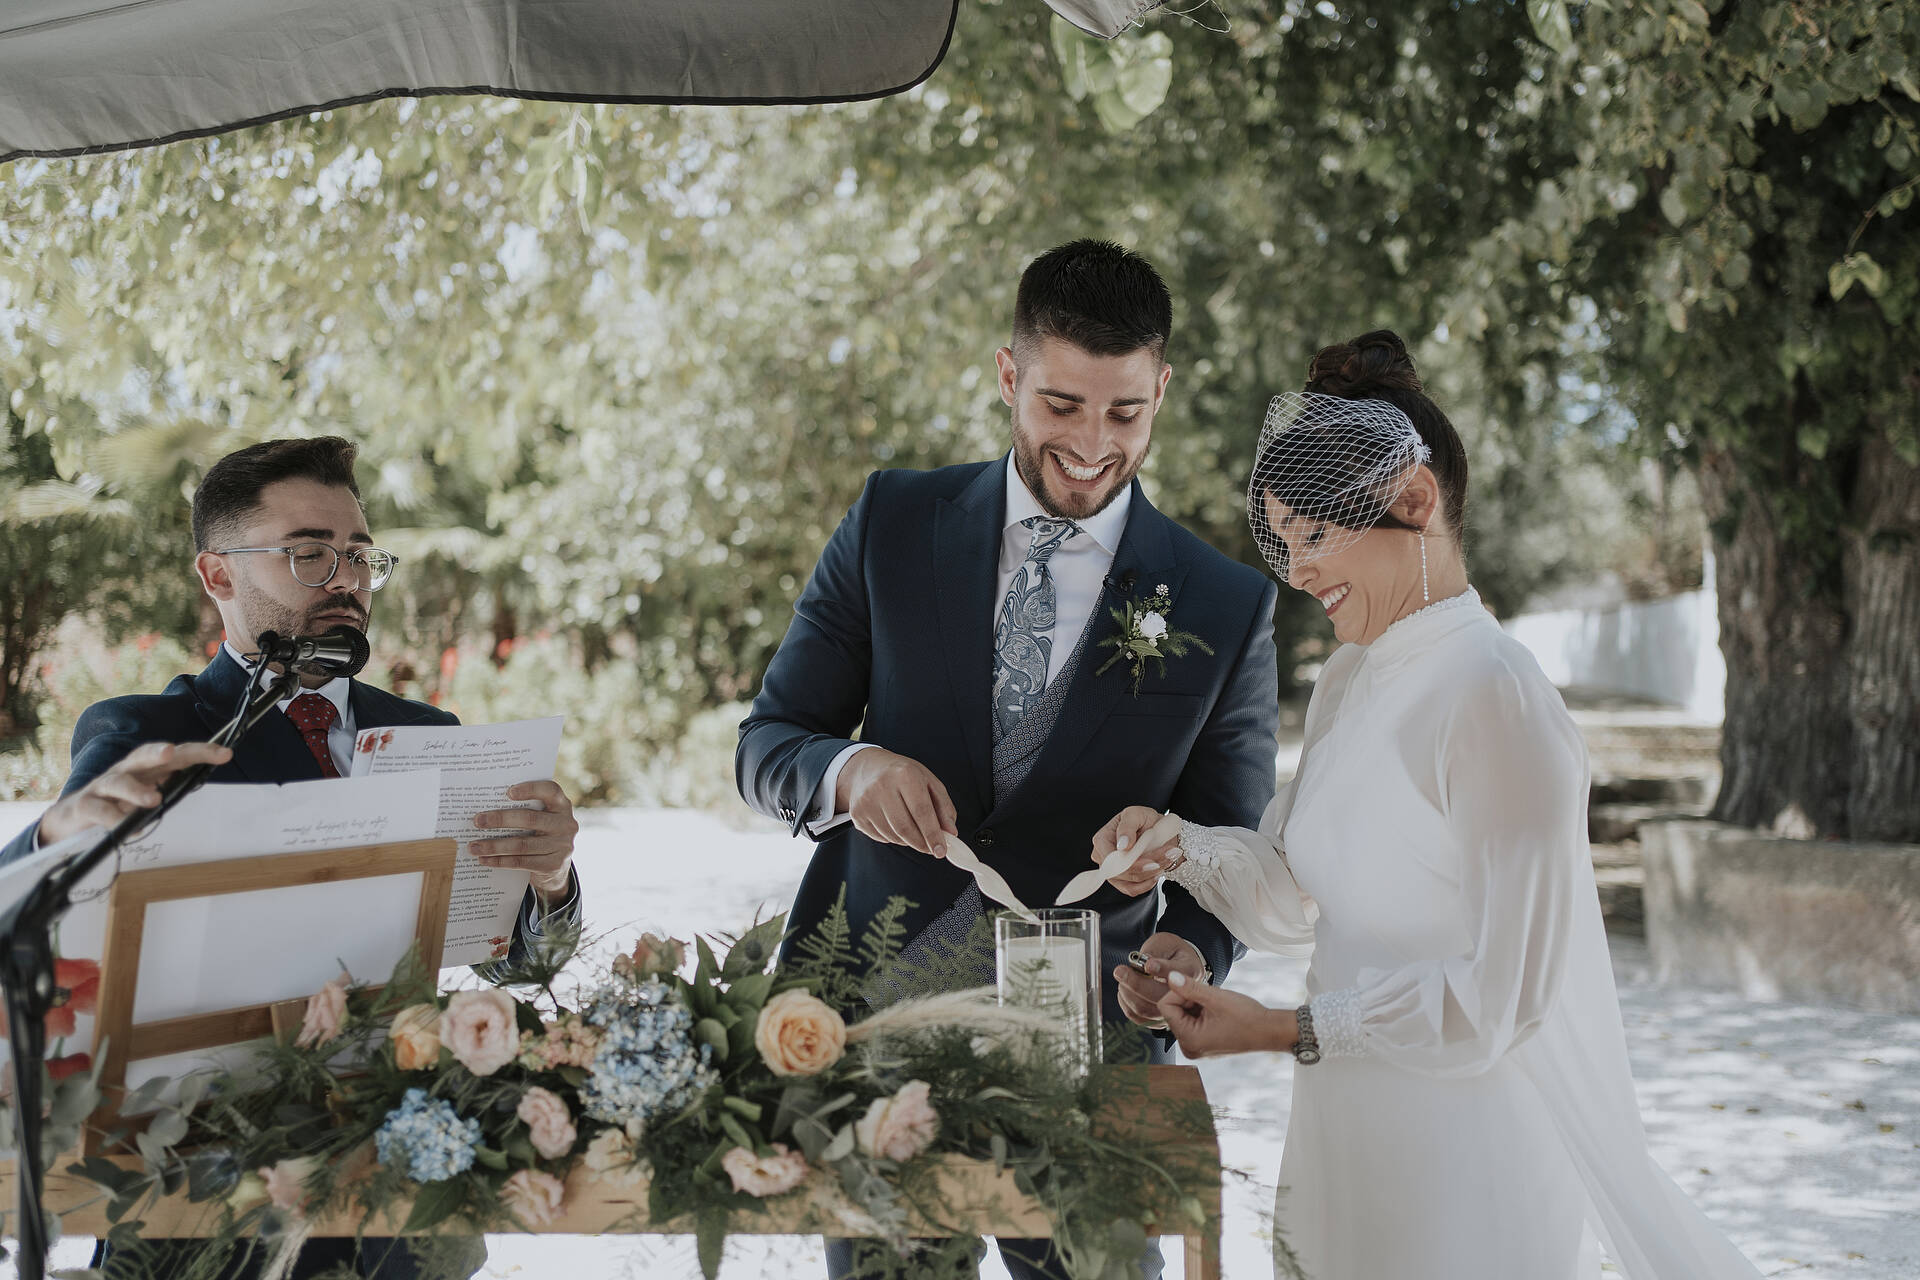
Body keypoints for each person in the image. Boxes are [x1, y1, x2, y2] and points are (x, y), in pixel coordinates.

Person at [1093, 331, 1764, 1279]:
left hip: (1469, 1141)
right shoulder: (1350, 681)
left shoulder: (1496, 693)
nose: (1299, 571)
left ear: (1416, 502)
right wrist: (1177, 852)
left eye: (1317, 537)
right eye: (1283, 543)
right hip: (1346, 1124)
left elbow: (1504, 998)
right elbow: (1296, 894)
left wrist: (1286, 1029)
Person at [736, 239, 1281, 1280]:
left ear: (1161, 388)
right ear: (1007, 376)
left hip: (1090, 1046)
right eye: (1061, 404)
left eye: (1124, 412)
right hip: (880, 1025)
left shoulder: (1225, 602)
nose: (1090, 443)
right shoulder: (892, 521)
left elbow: (1230, 848)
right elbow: (769, 742)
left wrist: (1193, 946)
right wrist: (854, 773)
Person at [2, 436, 583, 1280]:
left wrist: (551, 878)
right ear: (219, 575)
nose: (345, 578)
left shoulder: (434, 736)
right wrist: (57, 839)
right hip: (201, 1199)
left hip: (399, 1208)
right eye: (309, 554)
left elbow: (525, 969)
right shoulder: (142, 733)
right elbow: (29, 906)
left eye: (357, 554)